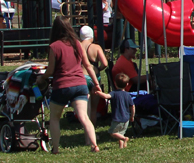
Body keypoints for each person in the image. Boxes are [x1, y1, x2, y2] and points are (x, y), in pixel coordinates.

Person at [37, 17, 106, 154]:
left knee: (55, 118)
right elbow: (88, 66)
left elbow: (50, 71)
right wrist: (96, 83)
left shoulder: (54, 46)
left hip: (62, 85)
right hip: (80, 85)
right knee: (84, 117)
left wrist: (42, 78)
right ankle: (94, 145)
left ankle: (55, 149)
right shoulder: (77, 44)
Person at [78, 25, 109, 121]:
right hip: (94, 78)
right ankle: (93, 131)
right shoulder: (96, 47)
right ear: (91, 35)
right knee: (93, 109)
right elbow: (105, 63)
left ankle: (86, 131)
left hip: (81, 77)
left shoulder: (76, 47)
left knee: (85, 107)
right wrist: (98, 69)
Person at [109, 72, 135, 149]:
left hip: (117, 118)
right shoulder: (128, 95)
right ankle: (122, 146)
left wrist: (99, 93)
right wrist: (132, 116)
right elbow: (132, 106)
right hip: (126, 118)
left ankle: (124, 139)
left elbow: (107, 96)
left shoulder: (114, 93)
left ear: (115, 83)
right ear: (127, 84)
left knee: (113, 133)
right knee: (121, 133)